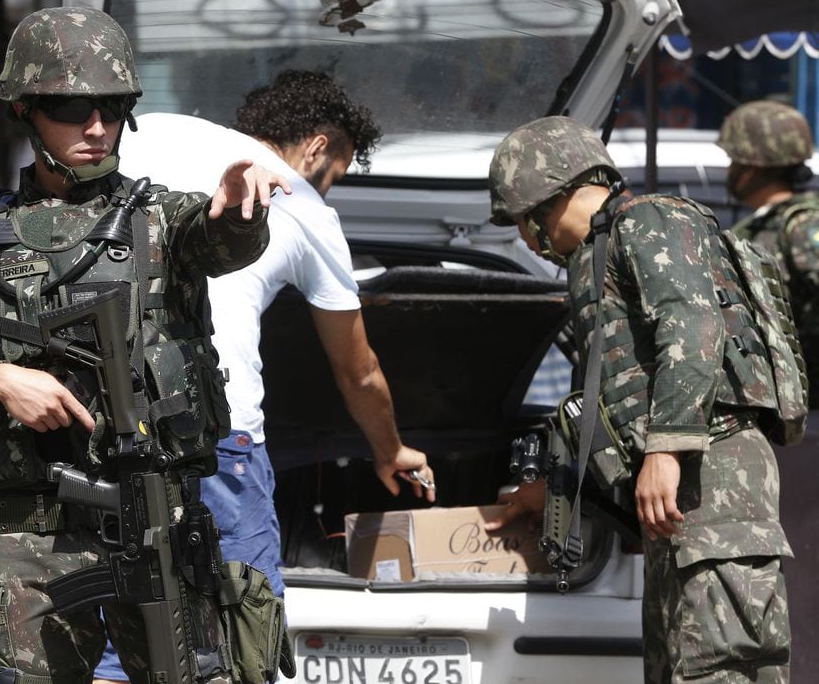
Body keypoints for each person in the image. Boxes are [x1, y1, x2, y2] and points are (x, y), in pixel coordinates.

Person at [0, 6, 288, 684]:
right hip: (33, 534)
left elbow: (219, 237)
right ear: (25, 109)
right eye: (72, 107)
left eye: (112, 106)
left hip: (159, 514)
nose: (96, 127)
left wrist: (239, 207)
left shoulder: (162, 220)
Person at [93, 70, 435, 684]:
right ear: (318, 147)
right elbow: (358, 370)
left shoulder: (154, 134)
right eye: (338, 172)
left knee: (120, 635)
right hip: (216, 443)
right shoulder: (298, 198)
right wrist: (391, 450)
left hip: (101, 433)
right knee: (242, 636)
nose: (331, 188)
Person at [484, 116, 792, 683]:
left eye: (525, 223)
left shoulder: (650, 218)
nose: (529, 241)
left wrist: (665, 451)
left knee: (724, 666)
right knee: (678, 666)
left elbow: (693, 325)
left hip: (713, 473)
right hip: (686, 489)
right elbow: (617, 397)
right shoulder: (597, 255)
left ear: (552, 193)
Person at [719, 99, 819, 406]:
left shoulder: (802, 224)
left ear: (753, 167)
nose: (731, 170)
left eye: (735, 161)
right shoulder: (764, 225)